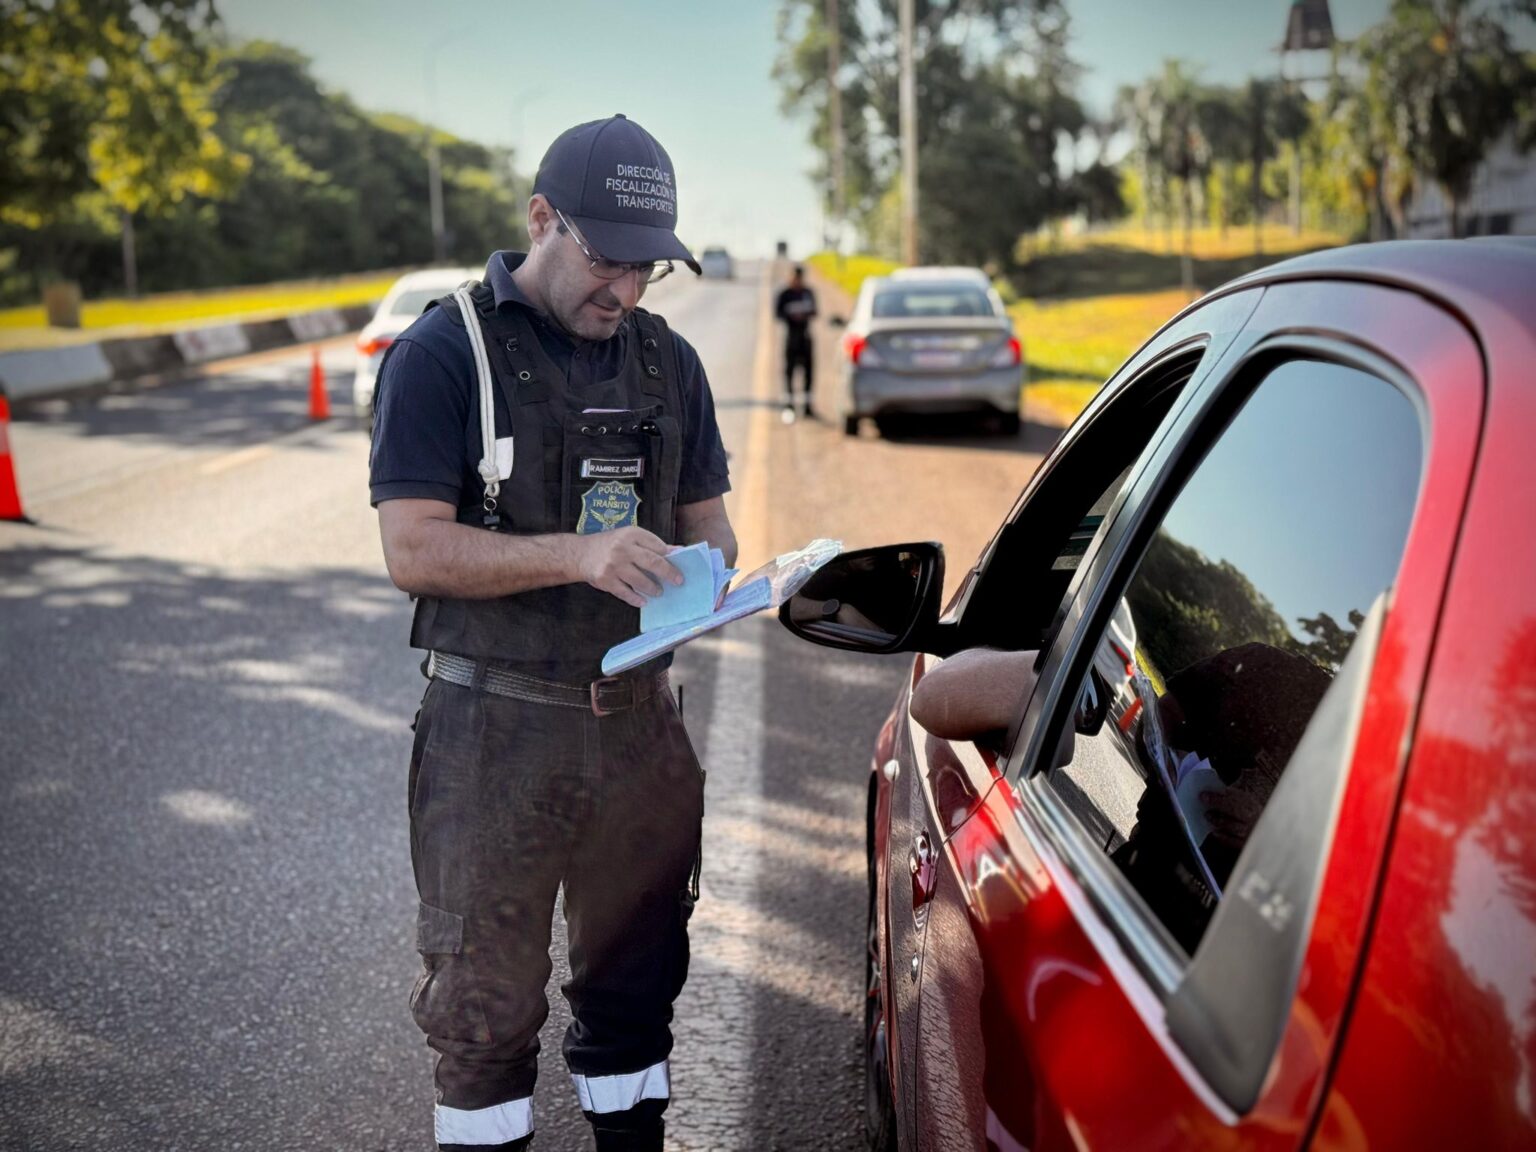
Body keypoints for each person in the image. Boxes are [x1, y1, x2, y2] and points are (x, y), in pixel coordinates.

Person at [369, 114, 736, 1152]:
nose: (624, 288)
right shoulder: (445, 353)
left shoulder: (671, 363)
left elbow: (711, 529)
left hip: (639, 729)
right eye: (605, 256)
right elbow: (415, 550)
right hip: (492, 737)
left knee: (636, 1000)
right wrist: (574, 553)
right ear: (542, 219)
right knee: (485, 1016)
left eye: (646, 267)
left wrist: (724, 582)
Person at [774, 265, 818, 419]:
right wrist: (791, 314)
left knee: (809, 372)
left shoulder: (807, 293)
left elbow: (815, 311)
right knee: (789, 372)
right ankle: (789, 405)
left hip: (805, 337)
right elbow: (778, 313)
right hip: (791, 337)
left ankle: (807, 407)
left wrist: (804, 313)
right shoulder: (785, 294)